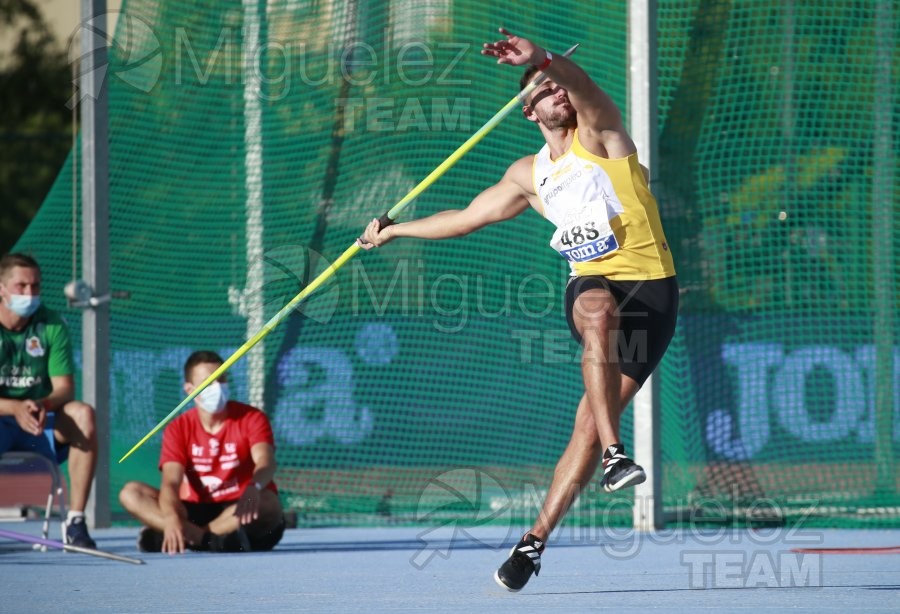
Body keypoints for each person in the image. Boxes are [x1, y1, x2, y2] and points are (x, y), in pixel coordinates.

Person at [360, 28, 679, 591]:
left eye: (560, 87)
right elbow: (465, 216)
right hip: (594, 285)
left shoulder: (602, 135)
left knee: (584, 420)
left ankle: (532, 543)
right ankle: (614, 454)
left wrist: (545, 60)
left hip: (653, 292)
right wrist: (393, 232)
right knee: (596, 309)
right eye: (546, 90)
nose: (560, 93)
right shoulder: (529, 176)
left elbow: (584, 86)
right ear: (529, 111)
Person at [118, 350, 285, 553]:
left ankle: (188, 537)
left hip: (241, 505)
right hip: (195, 509)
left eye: (221, 379)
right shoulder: (178, 427)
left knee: (269, 502)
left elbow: (266, 462)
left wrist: (254, 487)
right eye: (209, 382)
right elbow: (171, 482)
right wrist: (171, 518)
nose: (217, 387)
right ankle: (209, 541)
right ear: (190, 390)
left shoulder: (252, 418)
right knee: (131, 493)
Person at [0, 253, 99, 548]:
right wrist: (14, 407)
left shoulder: (51, 324)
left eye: (36, 286)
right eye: (21, 286)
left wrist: (41, 405)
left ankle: (76, 522)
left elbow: (64, 389)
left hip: (39, 421)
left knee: (83, 414)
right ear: (1, 288)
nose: (30, 294)